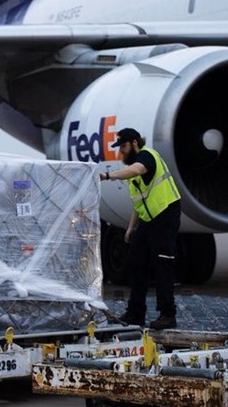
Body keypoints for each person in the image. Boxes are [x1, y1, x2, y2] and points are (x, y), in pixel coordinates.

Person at [100, 128, 181, 330]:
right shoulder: (134, 172)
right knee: (136, 262)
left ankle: (167, 314)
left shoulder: (147, 156)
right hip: (148, 219)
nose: (121, 153)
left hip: (165, 214)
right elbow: (139, 202)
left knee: (162, 264)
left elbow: (136, 169)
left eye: (124, 147)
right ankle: (135, 313)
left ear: (135, 143)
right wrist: (130, 227)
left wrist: (107, 175)